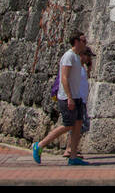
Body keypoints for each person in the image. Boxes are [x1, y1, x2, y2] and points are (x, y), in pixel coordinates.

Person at [33, 32, 89, 166]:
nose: (85, 43)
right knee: (68, 125)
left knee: (78, 125)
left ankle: (73, 156)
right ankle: (40, 145)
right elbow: (64, 77)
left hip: (77, 97)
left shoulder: (76, 57)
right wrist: (69, 97)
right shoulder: (69, 56)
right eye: (83, 40)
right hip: (67, 97)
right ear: (76, 41)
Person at [63, 47, 94, 158]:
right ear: (83, 55)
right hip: (78, 99)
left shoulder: (82, 69)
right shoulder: (77, 69)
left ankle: (72, 148)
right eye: (88, 56)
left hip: (82, 100)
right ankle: (70, 148)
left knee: (79, 126)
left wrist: (89, 69)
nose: (89, 59)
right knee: (76, 126)